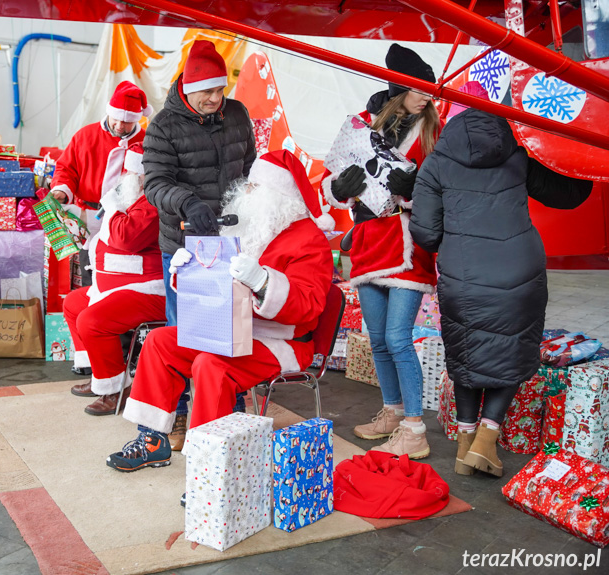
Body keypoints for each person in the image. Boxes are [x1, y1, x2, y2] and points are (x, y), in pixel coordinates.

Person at [105, 150, 334, 472]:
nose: (246, 192)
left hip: (281, 341)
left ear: (281, 196)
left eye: (256, 186)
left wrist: (263, 282)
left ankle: (209, 466)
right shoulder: (247, 229)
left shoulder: (309, 241)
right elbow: (211, 291)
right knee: (159, 342)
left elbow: (308, 307)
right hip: (229, 331)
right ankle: (152, 440)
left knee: (210, 364)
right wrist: (184, 274)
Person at [409, 107, 592, 477]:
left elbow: (425, 234)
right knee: (510, 348)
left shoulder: (435, 164)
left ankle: (466, 444)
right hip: (518, 269)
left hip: (463, 273)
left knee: (466, 353)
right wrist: (587, 157)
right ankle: (486, 440)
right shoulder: (517, 154)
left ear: (451, 125)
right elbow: (567, 195)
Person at [322, 43, 442, 459]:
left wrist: (414, 194)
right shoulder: (364, 125)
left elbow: (441, 192)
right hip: (369, 241)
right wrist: (337, 191)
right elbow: (333, 177)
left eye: (430, 89)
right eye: (419, 88)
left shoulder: (431, 132)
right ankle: (392, 411)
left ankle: (414, 428)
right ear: (398, 88)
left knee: (397, 336)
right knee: (377, 338)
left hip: (407, 246)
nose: (428, 96)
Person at [143, 39, 256, 447]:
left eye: (220, 88)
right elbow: (155, 184)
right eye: (207, 90)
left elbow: (249, 166)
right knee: (184, 334)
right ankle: (180, 415)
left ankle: (232, 405)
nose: (215, 98)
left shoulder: (237, 114)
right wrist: (187, 201)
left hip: (232, 242)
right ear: (188, 88)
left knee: (233, 327)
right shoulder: (163, 126)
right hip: (185, 247)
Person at [62, 144, 167, 415]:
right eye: (128, 171)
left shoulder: (155, 201)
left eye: (133, 172)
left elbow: (127, 238)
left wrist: (111, 207)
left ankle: (115, 388)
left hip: (148, 288)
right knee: (74, 304)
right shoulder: (132, 197)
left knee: (92, 321)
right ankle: (100, 374)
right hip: (118, 283)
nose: (128, 177)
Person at [51, 81, 149, 288]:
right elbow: (66, 169)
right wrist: (61, 190)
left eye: (127, 122)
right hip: (85, 215)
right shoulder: (85, 136)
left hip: (126, 223)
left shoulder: (147, 141)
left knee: (117, 277)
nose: (120, 126)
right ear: (109, 112)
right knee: (87, 274)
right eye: (116, 119)